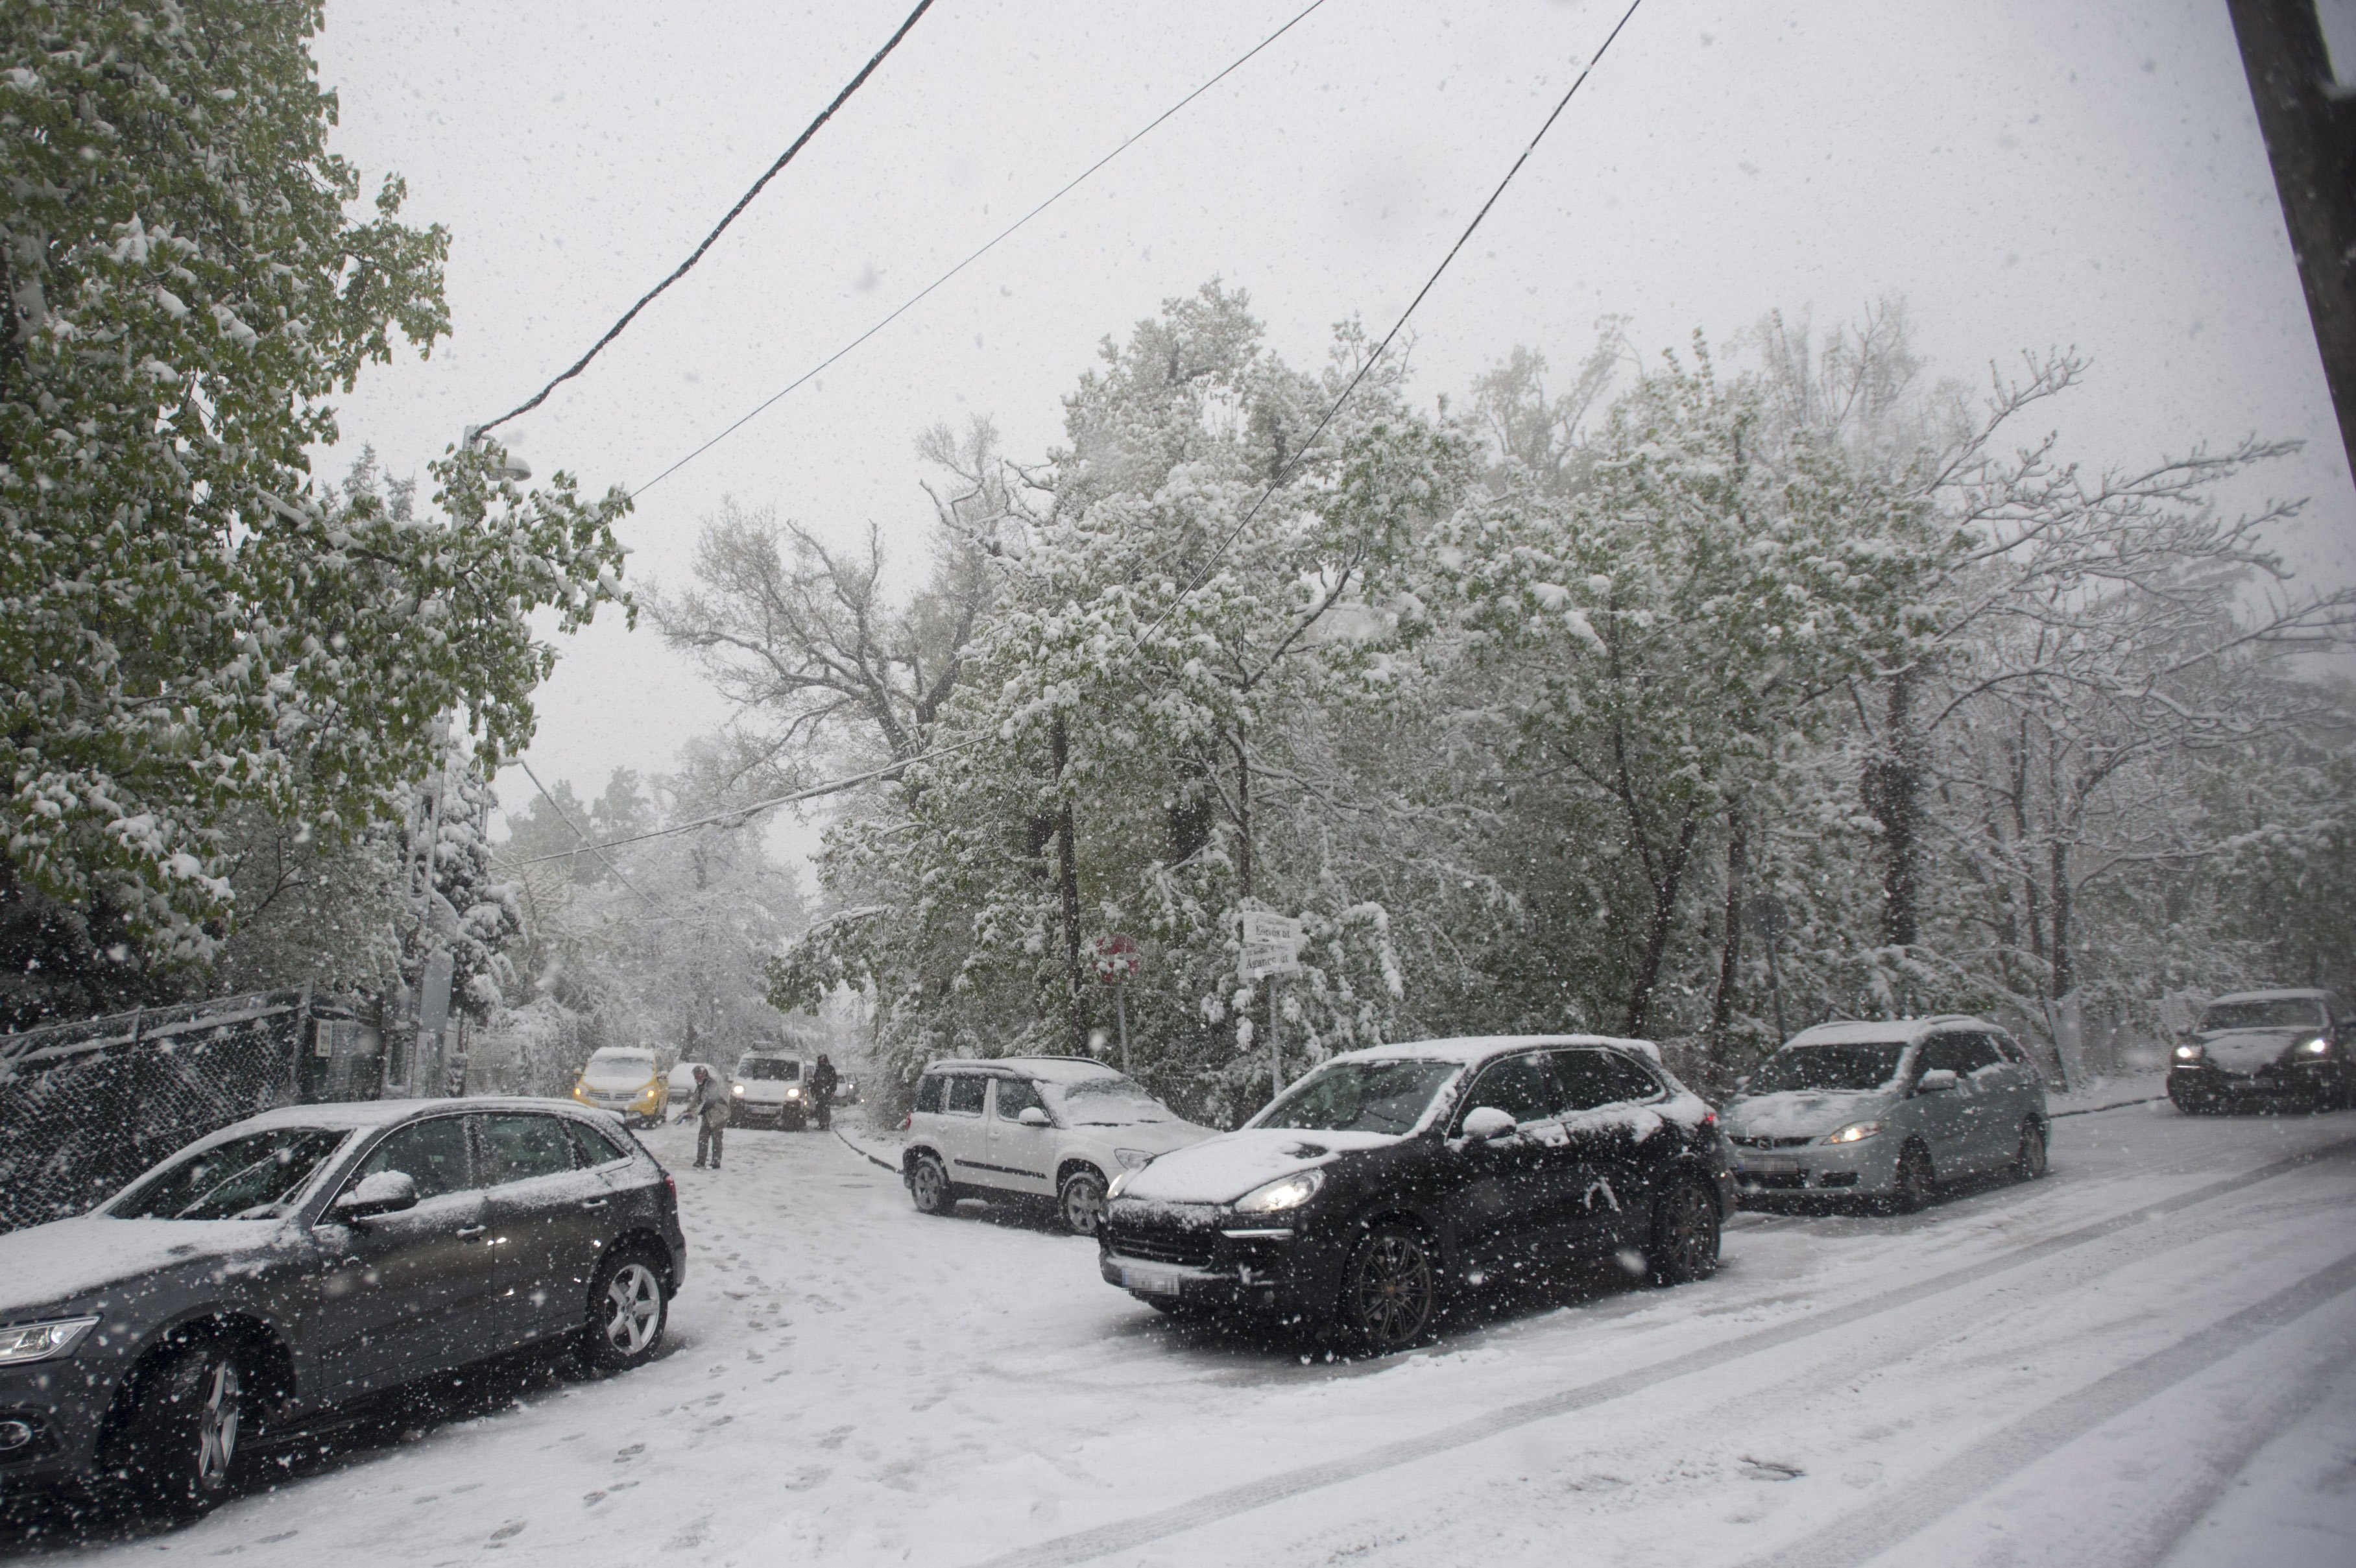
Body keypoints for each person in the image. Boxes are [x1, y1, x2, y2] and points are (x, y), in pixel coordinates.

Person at [687, 1064, 730, 1169]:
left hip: (718, 1116)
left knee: (716, 1139)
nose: (696, 1078)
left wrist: (698, 1112)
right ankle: (700, 1161)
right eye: (695, 1076)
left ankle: (716, 1162)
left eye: (698, 1075)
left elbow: (710, 1101)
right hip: (708, 1116)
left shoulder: (711, 1084)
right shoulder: (700, 1086)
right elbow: (696, 1100)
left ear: (704, 1074)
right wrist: (688, 1110)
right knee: (702, 1138)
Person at [809, 1054, 839, 1132]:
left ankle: (826, 1124)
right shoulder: (818, 1069)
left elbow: (834, 1080)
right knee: (819, 1108)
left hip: (827, 1092)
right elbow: (816, 1080)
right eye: (820, 1060)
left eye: (823, 1060)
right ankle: (821, 1123)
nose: (821, 1061)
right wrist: (813, 1088)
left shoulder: (830, 1069)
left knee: (826, 1108)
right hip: (819, 1092)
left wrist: (832, 1090)